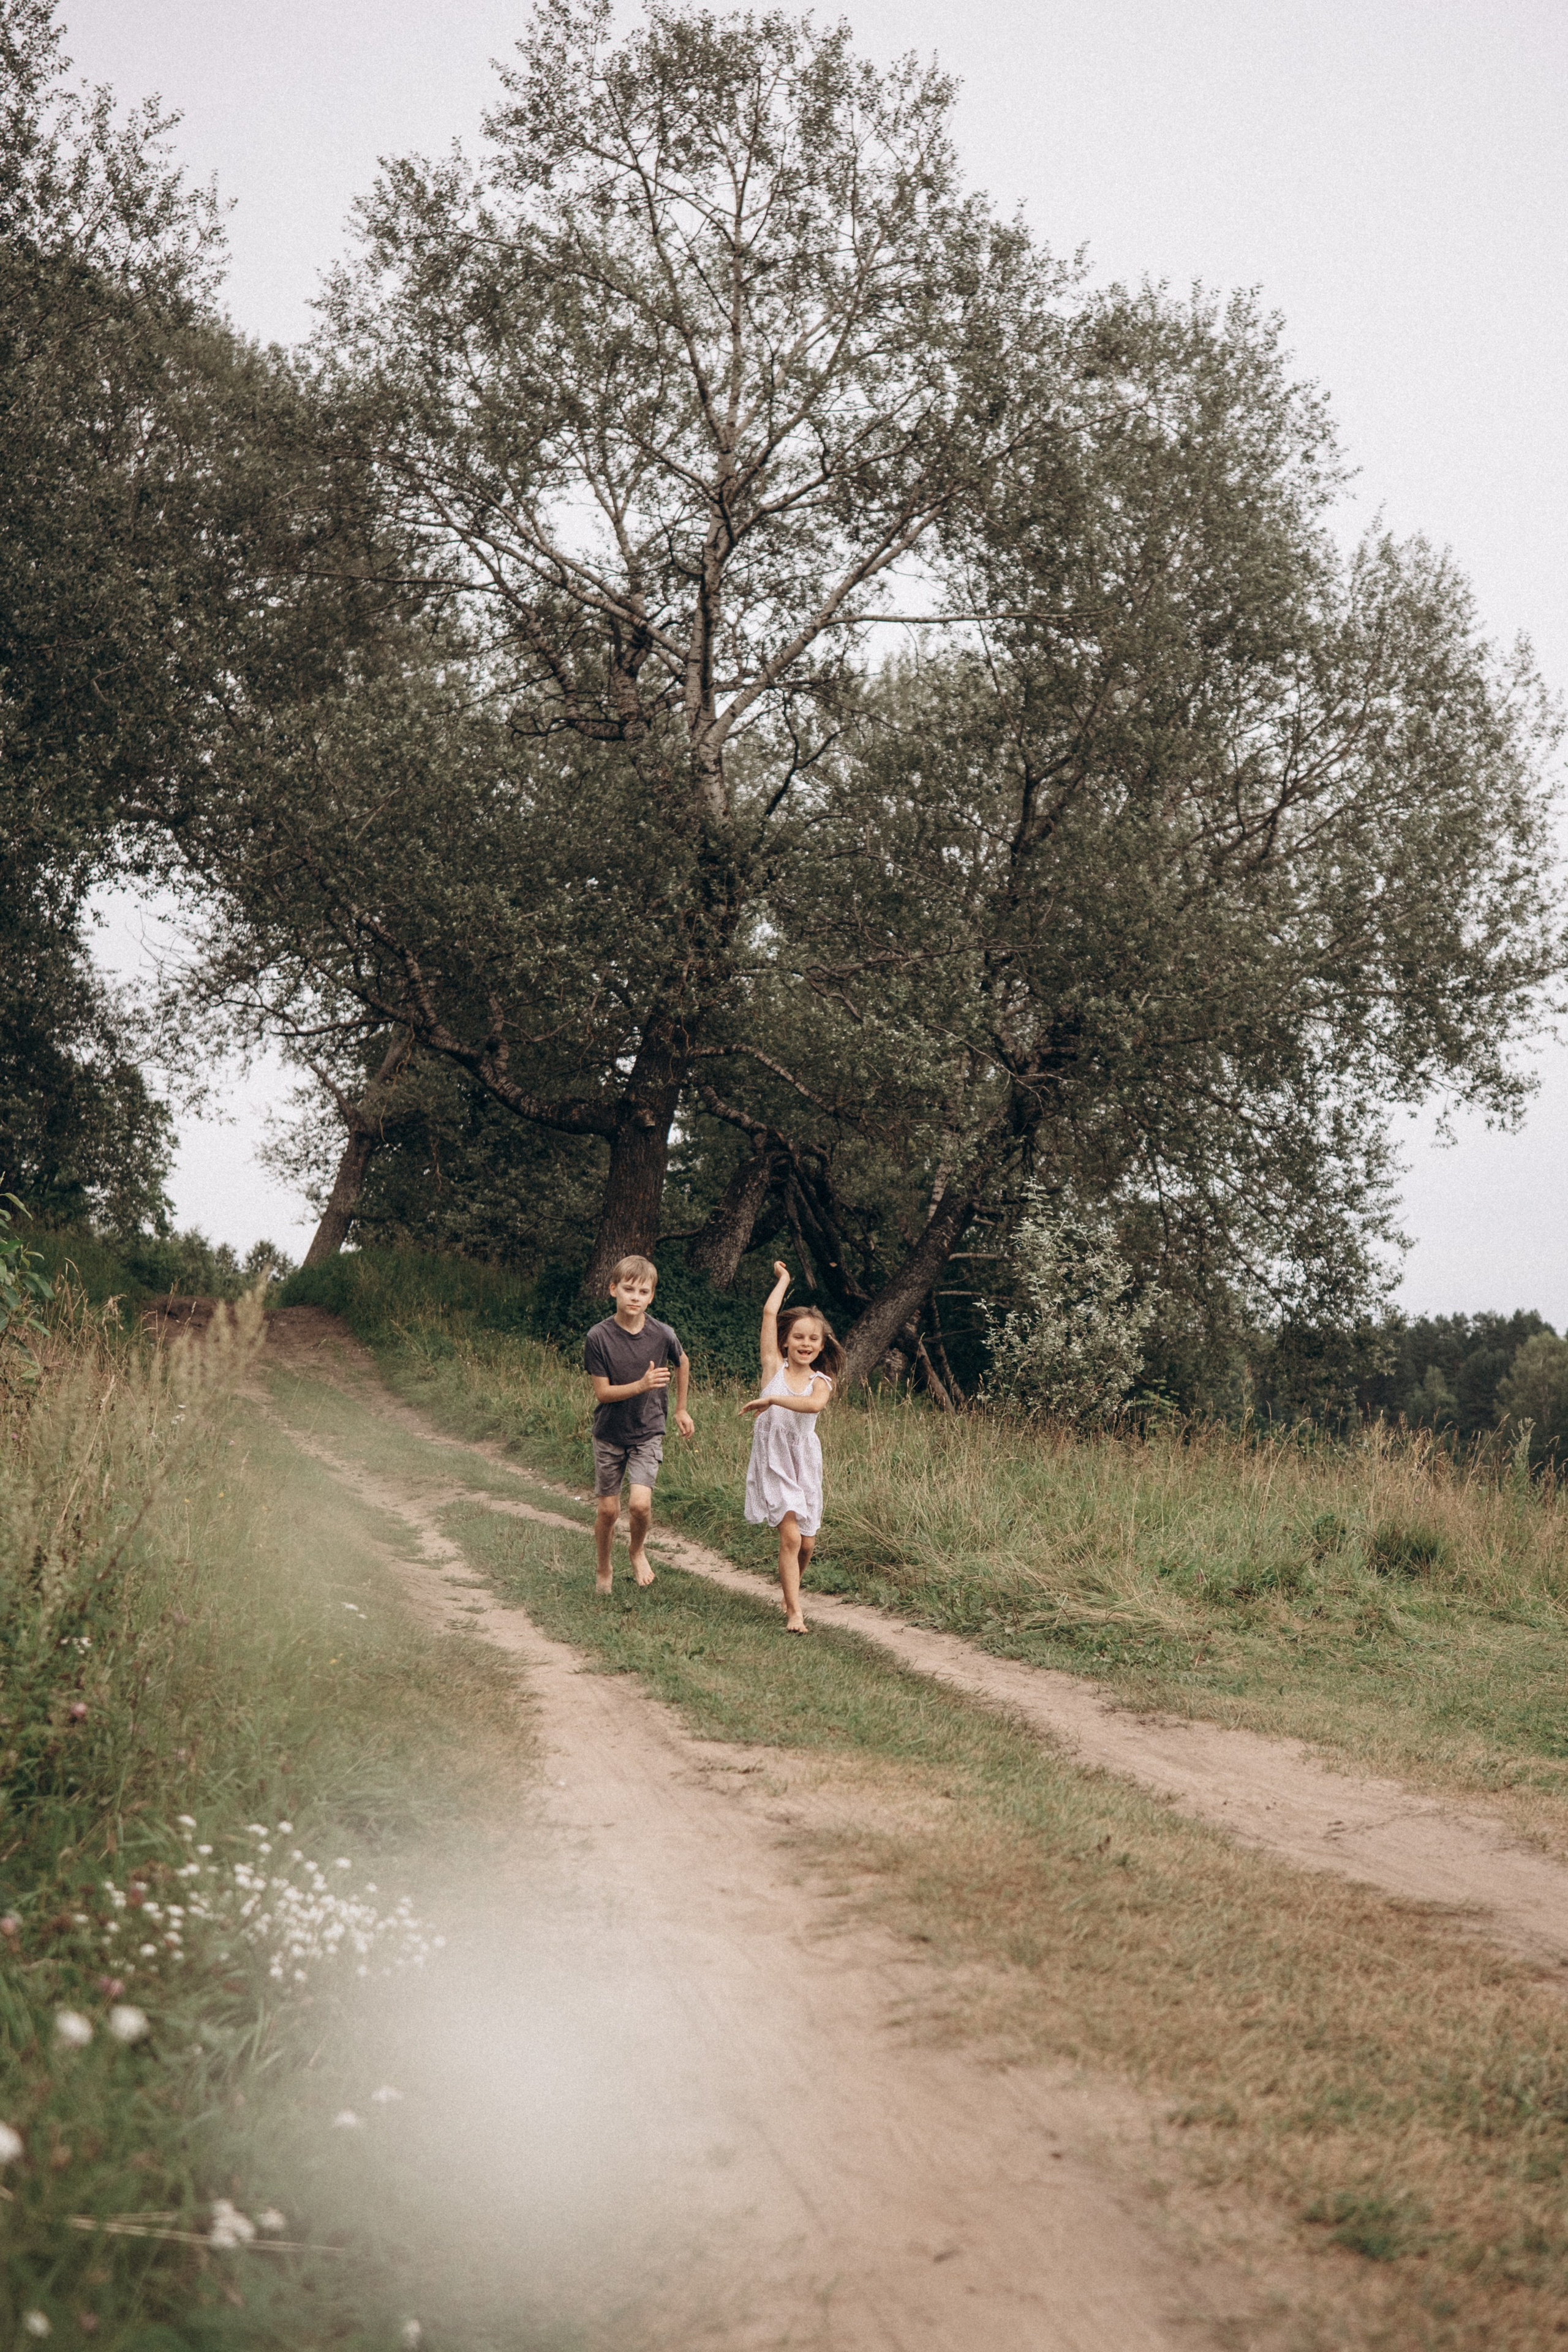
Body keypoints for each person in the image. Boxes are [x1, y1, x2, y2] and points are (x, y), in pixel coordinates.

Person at [739, 1262, 845, 1633]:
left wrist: (772, 1402)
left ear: (821, 1346)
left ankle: (791, 1589)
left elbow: (813, 1406)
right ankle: (795, 1614)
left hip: (805, 1461)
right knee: (790, 1536)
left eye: (813, 1339)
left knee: (808, 1544)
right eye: (798, 1337)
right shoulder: (773, 1366)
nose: (805, 1344)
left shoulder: (822, 1381)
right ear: (786, 1341)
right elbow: (770, 1313)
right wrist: (784, 1280)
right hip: (774, 1459)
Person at [583, 1254, 693, 1594]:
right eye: (628, 1289)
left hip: (648, 1430)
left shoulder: (663, 1334)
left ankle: (636, 1549)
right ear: (613, 1289)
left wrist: (681, 1409)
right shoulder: (598, 1337)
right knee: (608, 1511)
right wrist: (642, 1386)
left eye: (643, 1291)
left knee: (640, 1505)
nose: (635, 1297)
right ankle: (604, 1566)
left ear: (651, 1297)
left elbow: (683, 1361)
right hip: (610, 1434)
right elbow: (603, 1394)